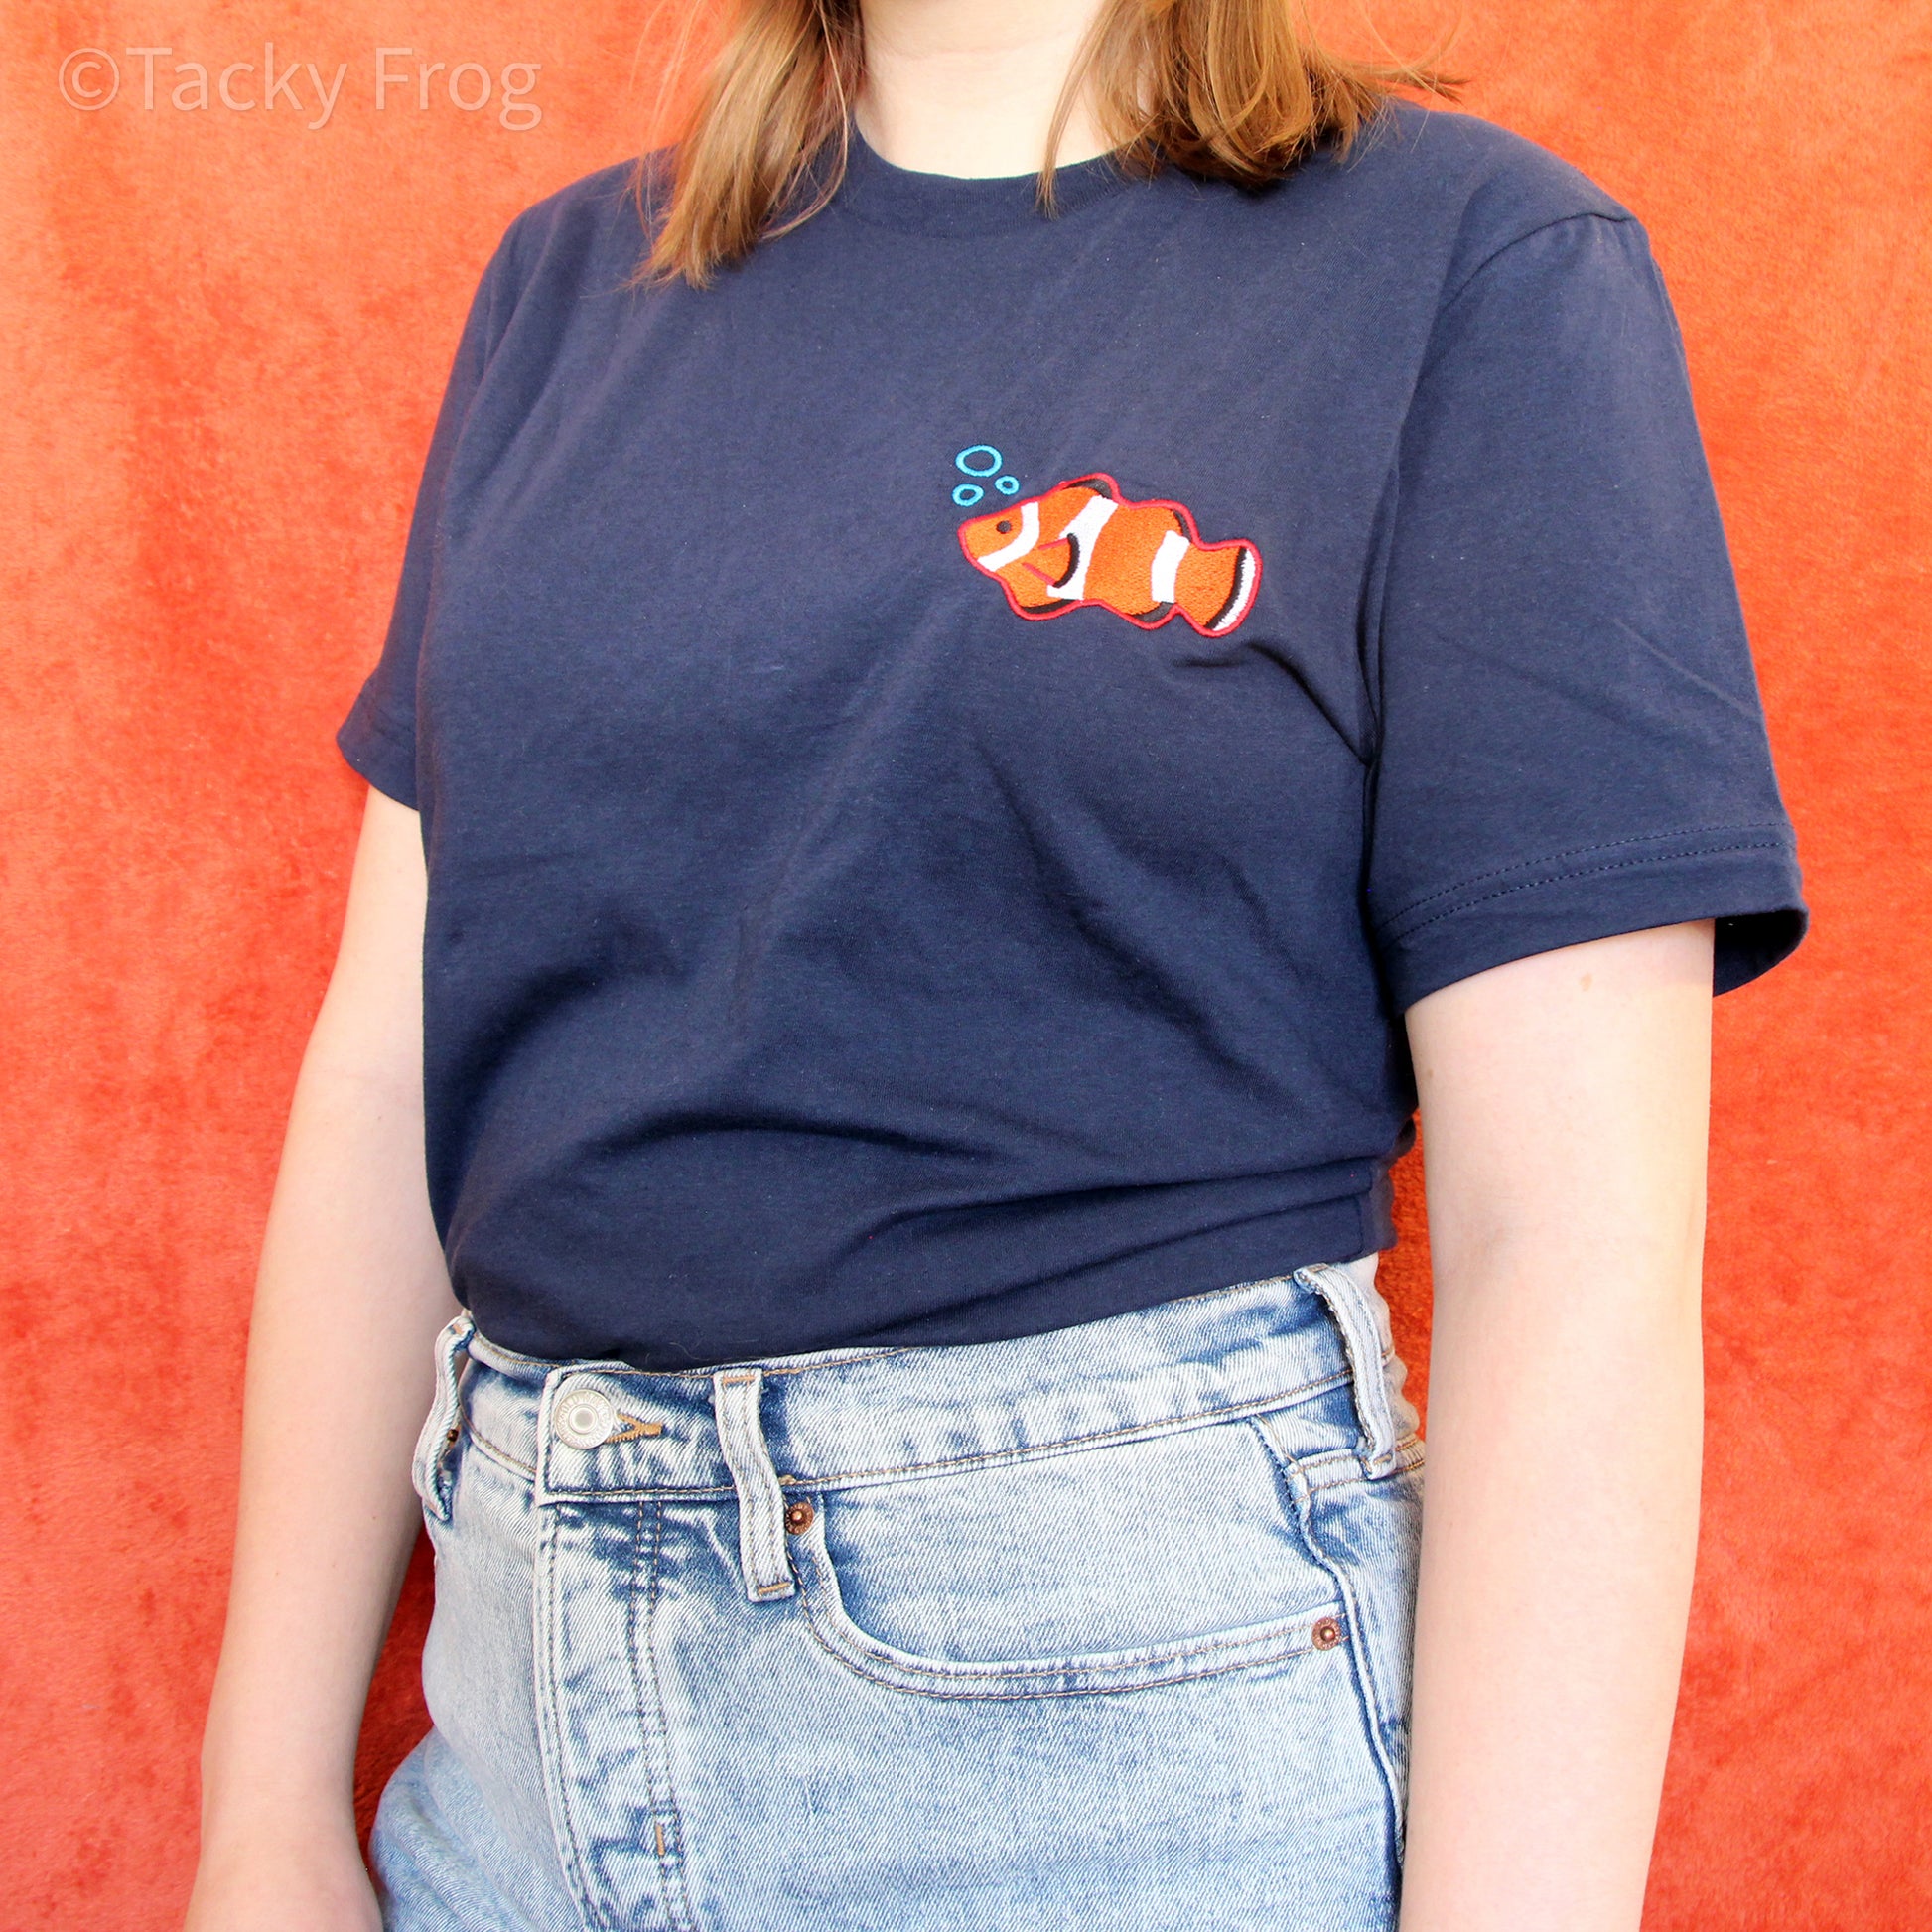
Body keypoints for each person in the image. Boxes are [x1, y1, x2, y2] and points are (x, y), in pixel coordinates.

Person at [184, 0, 1806, 1924]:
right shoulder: (559, 294)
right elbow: (394, 1081)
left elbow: (1573, 1250)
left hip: (1121, 1772)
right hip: (512, 1779)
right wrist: (264, 1805)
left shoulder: (1479, 274)